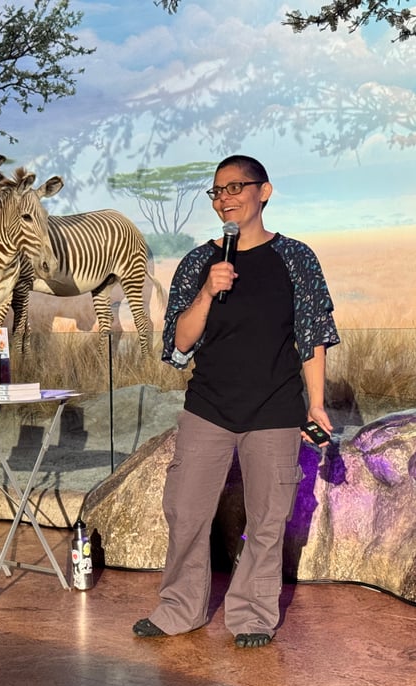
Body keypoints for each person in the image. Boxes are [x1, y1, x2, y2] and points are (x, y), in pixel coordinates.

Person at [133, 155, 339, 648]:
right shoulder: (199, 262)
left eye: (235, 187)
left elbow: (311, 338)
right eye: (217, 191)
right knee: (185, 511)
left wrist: (316, 404)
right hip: (209, 407)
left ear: (263, 192)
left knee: (266, 520)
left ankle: (251, 615)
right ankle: (180, 609)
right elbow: (179, 344)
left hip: (275, 409)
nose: (225, 198)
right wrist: (207, 291)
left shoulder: (297, 258)